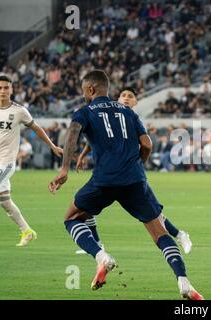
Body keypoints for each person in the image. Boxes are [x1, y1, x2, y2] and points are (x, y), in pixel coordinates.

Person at [48, 70, 203, 299]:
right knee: (159, 233)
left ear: (91, 89)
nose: (83, 95)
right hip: (134, 180)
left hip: (104, 180)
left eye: (83, 90)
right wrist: (137, 166)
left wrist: (64, 168)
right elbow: (147, 144)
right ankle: (184, 282)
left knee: (71, 217)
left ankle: (101, 256)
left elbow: (72, 133)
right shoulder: (127, 112)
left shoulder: (85, 111)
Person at [74, 88, 192, 255]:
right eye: (123, 95)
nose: (126, 98)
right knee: (88, 206)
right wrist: (83, 154)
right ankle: (97, 242)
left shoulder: (133, 119)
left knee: (153, 212)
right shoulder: (116, 116)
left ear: (136, 102)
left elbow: (146, 144)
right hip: (116, 172)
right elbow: (96, 137)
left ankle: (179, 234)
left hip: (131, 174)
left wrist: (140, 164)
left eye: (130, 96)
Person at [0, 75, 63, 246]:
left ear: (12, 89)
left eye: (6, 87)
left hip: (6, 162)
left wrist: (52, 146)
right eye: (0, 88)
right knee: (4, 200)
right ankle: (27, 231)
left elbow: (37, 128)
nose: (3, 91)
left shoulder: (19, 111)